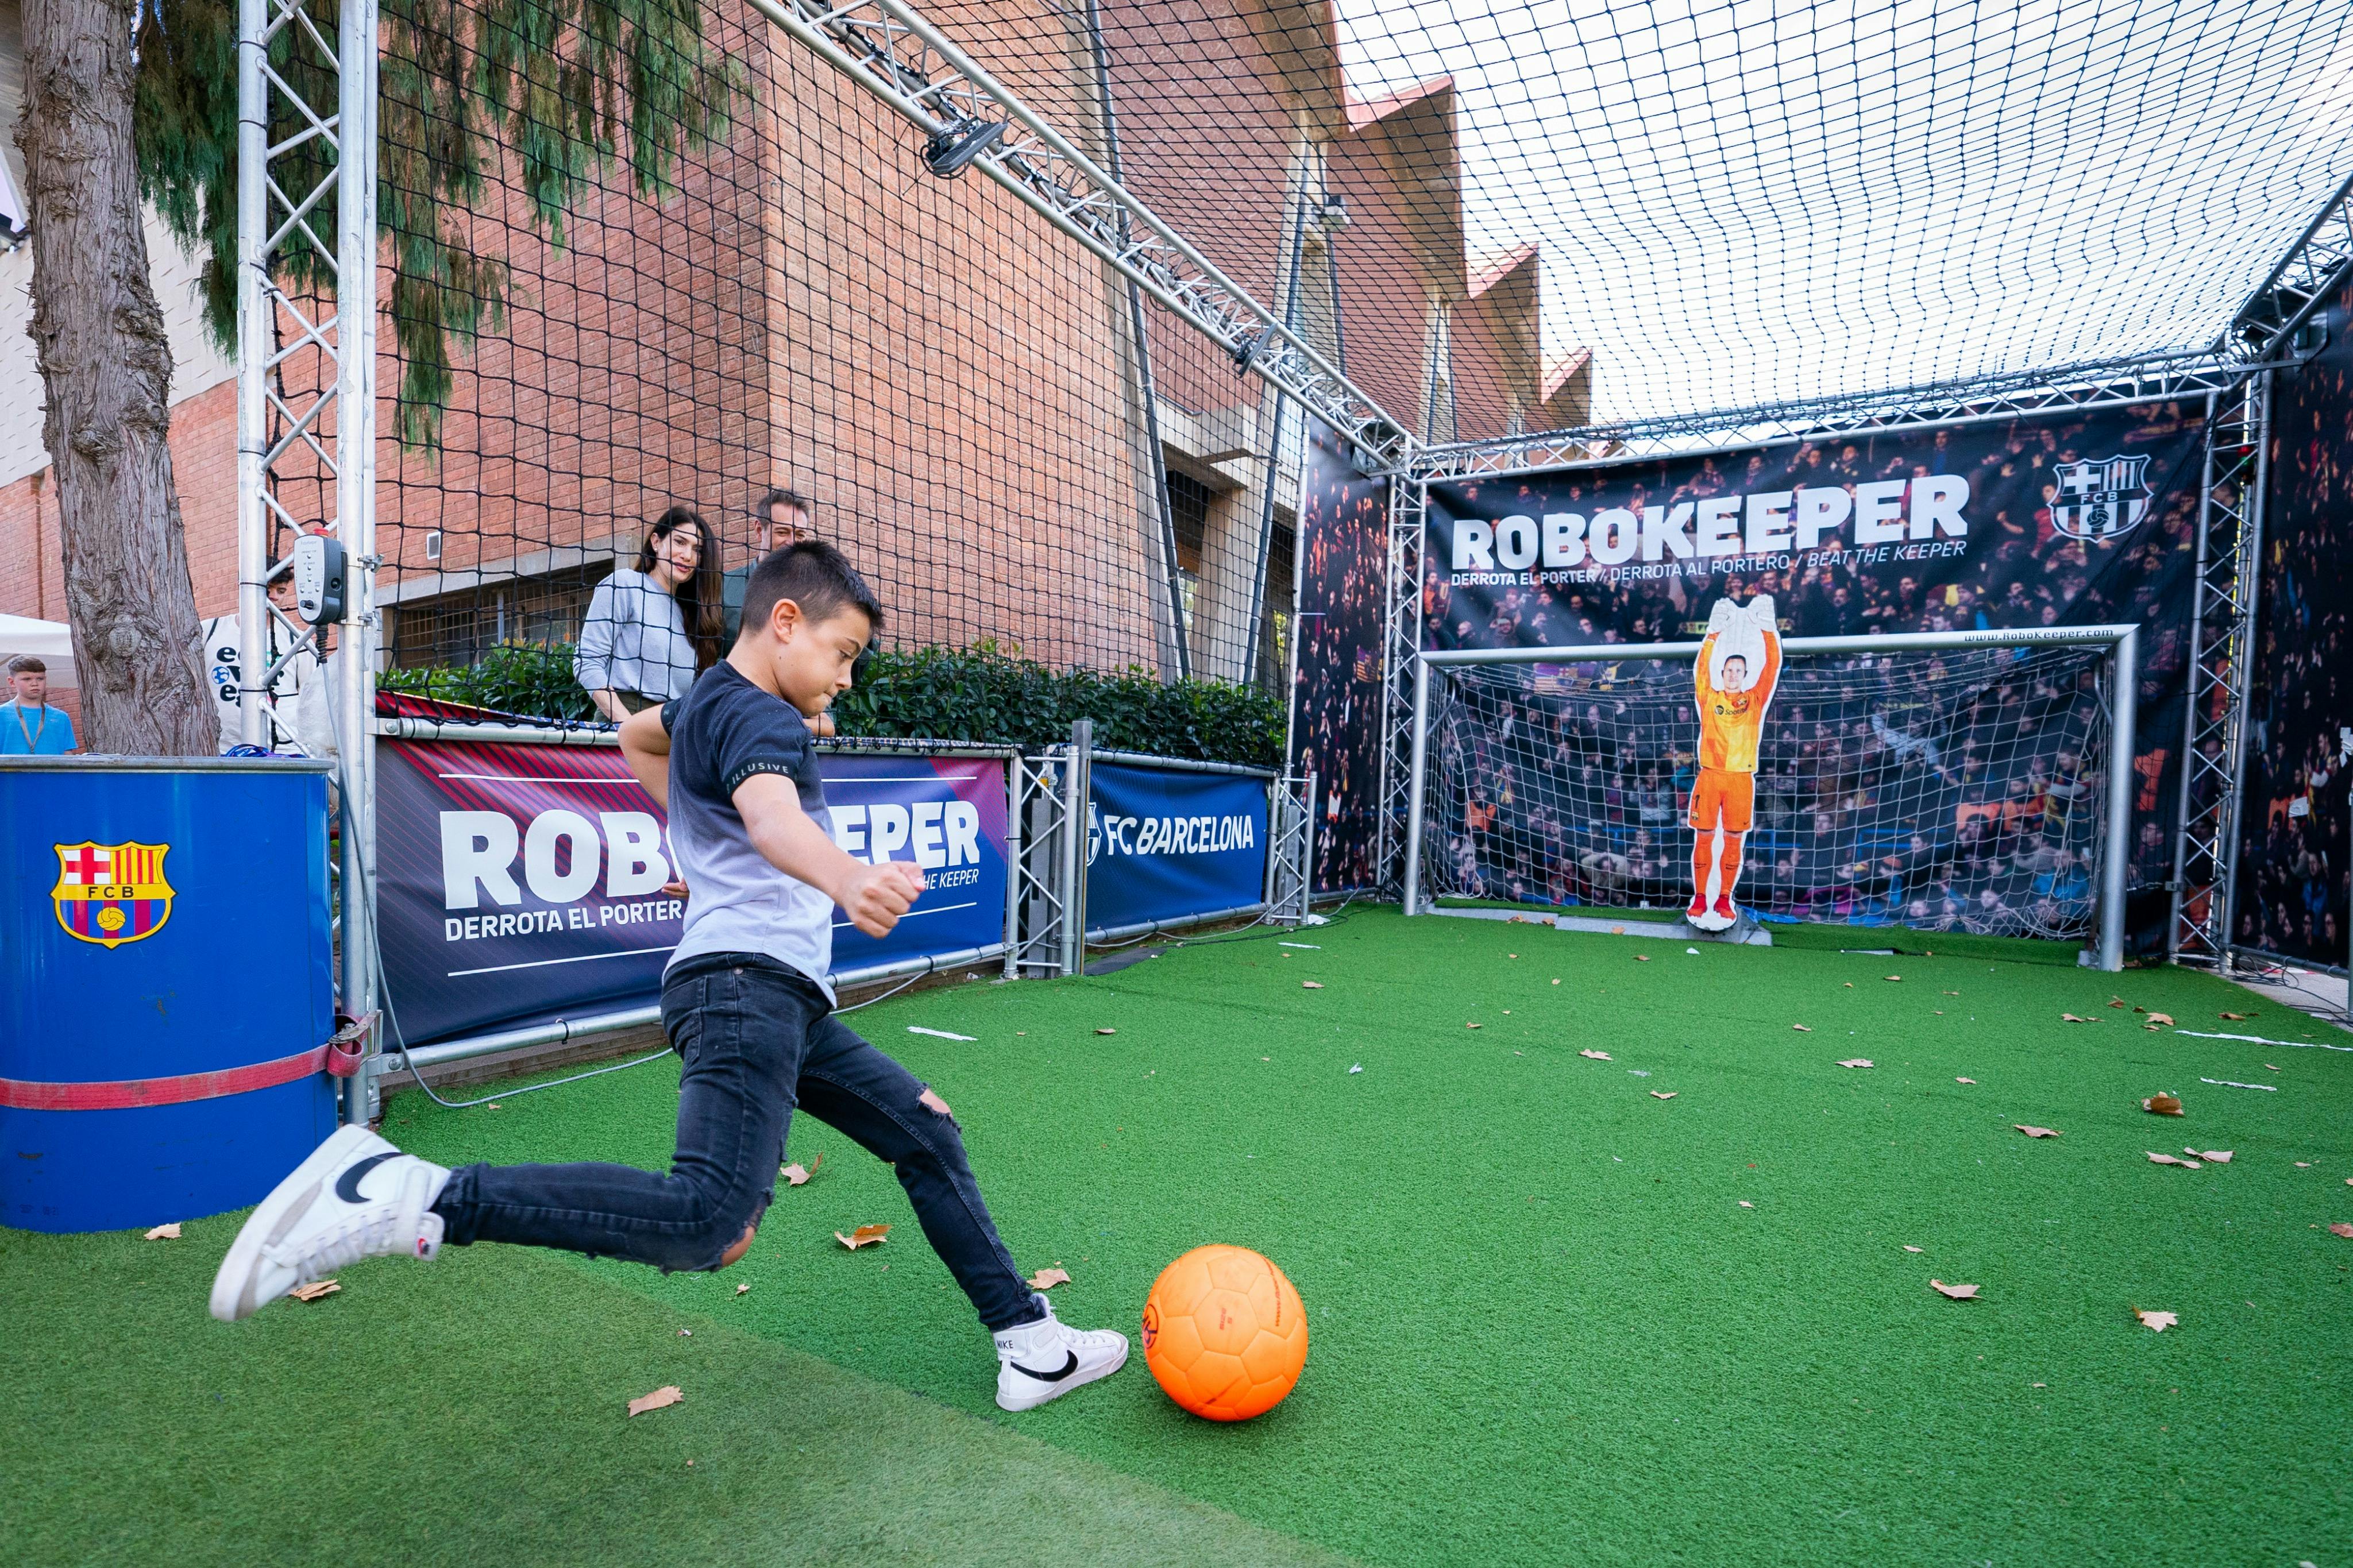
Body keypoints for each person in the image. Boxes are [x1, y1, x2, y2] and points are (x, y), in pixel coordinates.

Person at [209, 540, 1128, 1415]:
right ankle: (413, 1193)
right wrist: (847, 877)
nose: (846, 678)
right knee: (709, 1223)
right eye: (843, 652)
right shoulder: (763, 714)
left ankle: (1029, 1342)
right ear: (783, 621)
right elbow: (771, 819)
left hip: (775, 997)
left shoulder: (701, 703)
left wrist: (700, 839)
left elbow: (640, 747)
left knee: (925, 1129)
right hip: (746, 989)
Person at [1686, 595, 1782, 932]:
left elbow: (1771, 667)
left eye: (1738, 671)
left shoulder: (1754, 699)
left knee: (1732, 841)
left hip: (1741, 779)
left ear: (1744, 674)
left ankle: (1724, 897)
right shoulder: (1710, 696)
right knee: (1703, 838)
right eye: (1728, 670)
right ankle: (1700, 897)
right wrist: (1712, 635)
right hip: (1710, 776)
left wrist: (1768, 631)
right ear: (1723, 672)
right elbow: (1700, 669)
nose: (1732, 675)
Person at [575, 505, 724, 720]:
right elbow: (586, 662)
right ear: (656, 542)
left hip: (670, 728)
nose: (688, 556)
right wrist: (626, 726)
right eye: (680, 542)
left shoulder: (692, 613)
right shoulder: (626, 584)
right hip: (623, 720)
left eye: (697, 550)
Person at [722, 488, 816, 643]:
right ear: (759, 530)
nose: (792, 542)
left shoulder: (818, 594)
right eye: (782, 532)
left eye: (800, 535)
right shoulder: (723, 589)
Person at [0, 654, 76, 754]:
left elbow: (68, 756)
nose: (35, 683)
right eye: (27, 679)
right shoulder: (2, 714)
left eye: (40, 679)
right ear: (12, 682)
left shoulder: (61, 717)